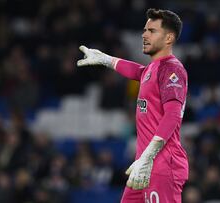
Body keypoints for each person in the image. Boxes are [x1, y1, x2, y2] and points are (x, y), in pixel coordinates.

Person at [77, 8, 188, 203]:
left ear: (169, 38)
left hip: (161, 165)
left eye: (152, 31)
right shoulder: (153, 69)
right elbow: (137, 71)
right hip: (144, 165)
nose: (144, 34)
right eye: (145, 30)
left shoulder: (172, 69)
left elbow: (173, 115)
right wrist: (106, 59)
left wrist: (149, 155)